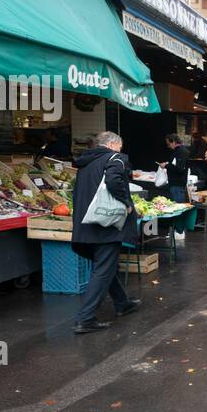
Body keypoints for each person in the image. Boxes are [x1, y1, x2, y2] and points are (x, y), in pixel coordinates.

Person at [70, 131, 141, 334]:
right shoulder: (114, 159)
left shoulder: (86, 163)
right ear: (111, 144)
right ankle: (85, 318)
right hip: (106, 224)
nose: (121, 150)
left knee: (105, 266)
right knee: (102, 270)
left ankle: (122, 302)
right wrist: (127, 203)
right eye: (119, 146)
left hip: (86, 224)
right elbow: (113, 180)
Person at [161, 134, 189, 206]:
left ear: (173, 142)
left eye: (169, 144)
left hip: (177, 185)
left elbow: (179, 168)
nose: (169, 146)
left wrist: (166, 165)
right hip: (176, 184)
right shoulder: (179, 151)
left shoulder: (181, 152)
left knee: (177, 207)